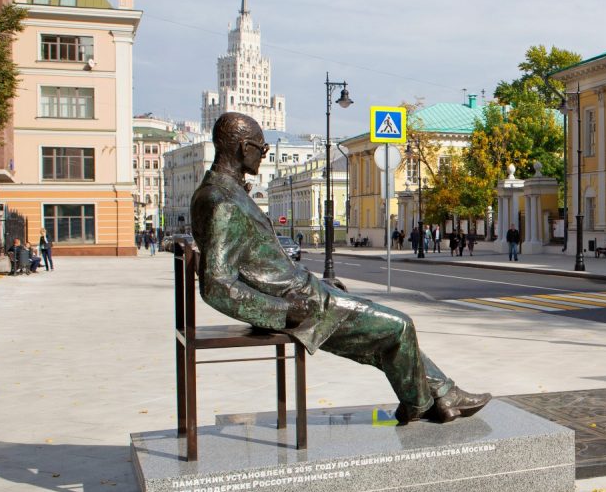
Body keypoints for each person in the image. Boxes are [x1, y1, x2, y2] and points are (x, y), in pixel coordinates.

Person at [191, 113, 489, 424]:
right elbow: (216, 286)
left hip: (303, 292)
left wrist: (318, 283)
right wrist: (281, 310)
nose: (262, 154)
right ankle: (427, 401)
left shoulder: (224, 193)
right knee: (399, 326)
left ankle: (440, 395)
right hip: (301, 304)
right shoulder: (221, 200)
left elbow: (258, 264)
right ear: (243, 147)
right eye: (262, 149)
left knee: (386, 328)